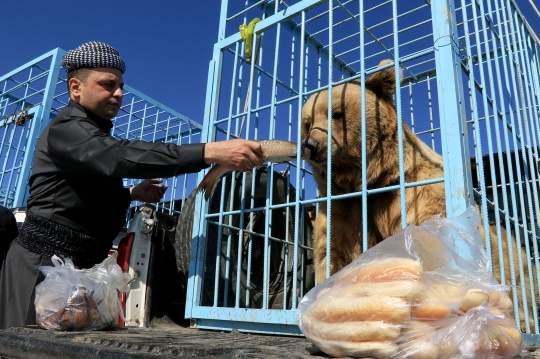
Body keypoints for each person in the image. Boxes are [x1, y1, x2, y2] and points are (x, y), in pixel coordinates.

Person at [0, 41, 263, 329]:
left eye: (120, 85)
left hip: (79, 273)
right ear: (76, 87)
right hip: (42, 270)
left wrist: (130, 194)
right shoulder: (68, 129)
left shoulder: (90, 135)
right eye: (108, 84)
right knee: (26, 348)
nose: (119, 93)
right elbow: (119, 156)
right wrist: (208, 152)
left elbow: (75, 193)